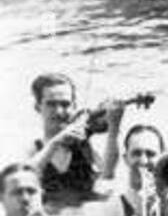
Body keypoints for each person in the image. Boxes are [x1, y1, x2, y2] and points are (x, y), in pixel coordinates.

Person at [28, 73, 124, 205]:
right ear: (38, 107)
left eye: (65, 104)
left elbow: (108, 174)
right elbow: (23, 177)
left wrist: (114, 127)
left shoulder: (88, 144)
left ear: (74, 106)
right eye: (51, 104)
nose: (59, 111)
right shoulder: (32, 149)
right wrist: (56, 142)